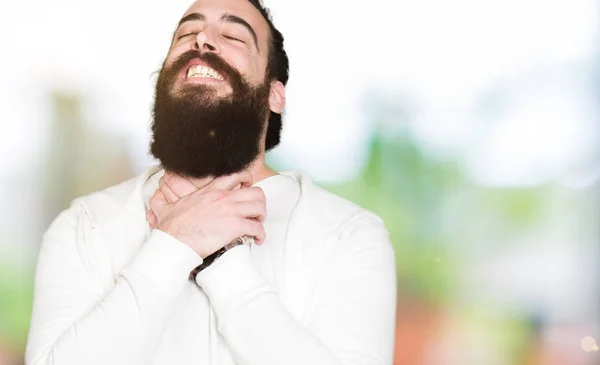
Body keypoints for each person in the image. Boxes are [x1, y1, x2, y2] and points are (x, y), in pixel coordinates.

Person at [25, 0, 397, 364]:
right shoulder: (84, 225)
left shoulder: (349, 235)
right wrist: (175, 243)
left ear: (275, 94)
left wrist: (222, 261)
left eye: (234, 36)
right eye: (187, 32)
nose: (203, 39)